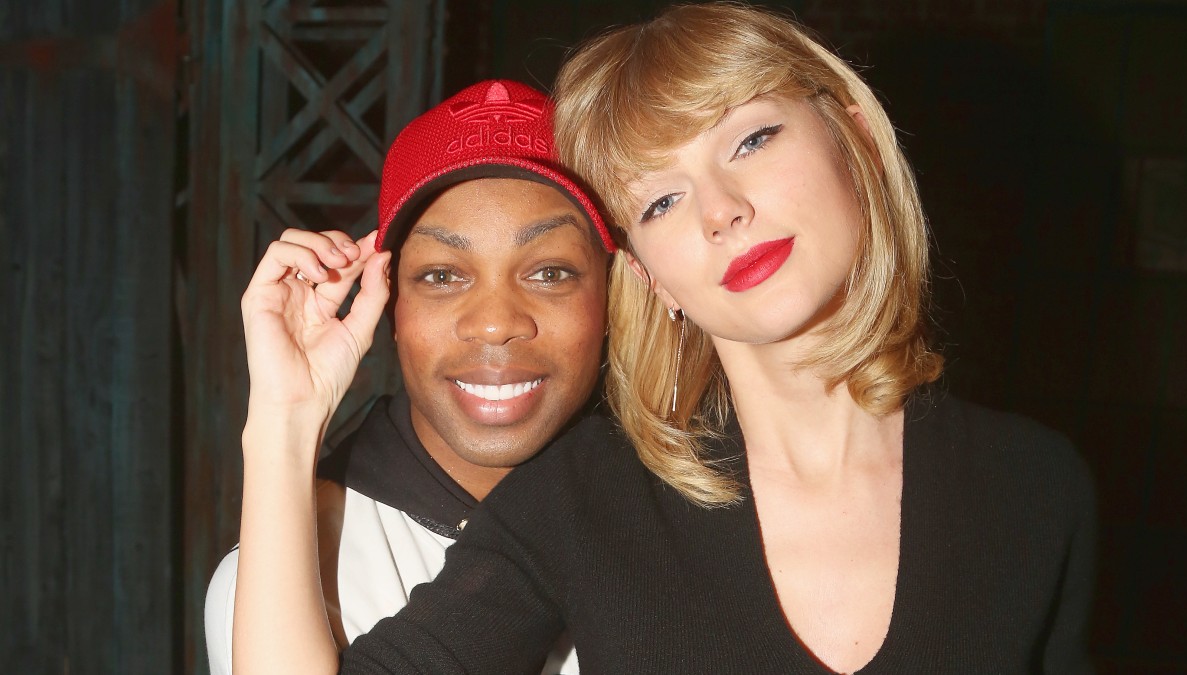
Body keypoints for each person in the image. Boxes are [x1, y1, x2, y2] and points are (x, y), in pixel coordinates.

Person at [242, 4, 1098, 673]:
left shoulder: (1036, 487)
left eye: (752, 138)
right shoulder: (586, 496)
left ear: (858, 141)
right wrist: (283, 418)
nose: (722, 208)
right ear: (648, 275)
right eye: (659, 201)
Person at [212, 79, 614, 675]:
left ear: (613, 298)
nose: (495, 324)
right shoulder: (297, 582)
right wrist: (285, 414)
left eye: (550, 272)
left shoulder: (678, 509)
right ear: (389, 302)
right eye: (443, 276)